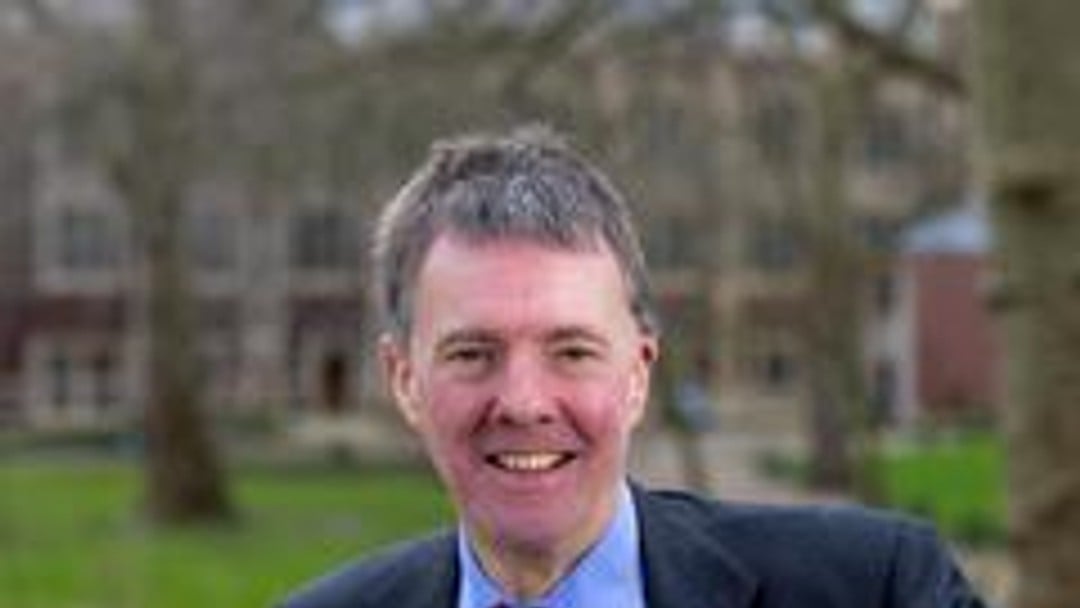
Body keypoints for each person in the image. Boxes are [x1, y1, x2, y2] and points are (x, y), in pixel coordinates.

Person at [278, 128, 985, 608]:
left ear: (639, 374)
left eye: (572, 352)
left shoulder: (878, 588)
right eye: (473, 354)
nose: (524, 402)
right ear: (404, 380)